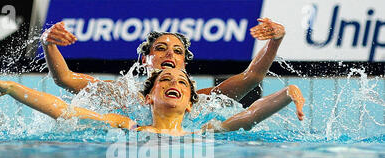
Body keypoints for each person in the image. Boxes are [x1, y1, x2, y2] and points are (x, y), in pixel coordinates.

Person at [0, 68, 305, 136]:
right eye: (165, 81)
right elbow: (65, 111)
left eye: (182, 83)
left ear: (190, 104)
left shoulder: (206, 132)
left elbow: (246, 118)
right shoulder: (123, 124)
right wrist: (10, 88)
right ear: (148, 97)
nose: (174, 83)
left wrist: (286, 93)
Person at [41, 18, 286, 102]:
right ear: (145, 59)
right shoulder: (120, 95)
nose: (170, 54)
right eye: (161, 48)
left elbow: (252, 77)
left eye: (178, 52)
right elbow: (64, 78)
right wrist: (47, 42)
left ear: (184, 65)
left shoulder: (201, 101)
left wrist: (275, 40)